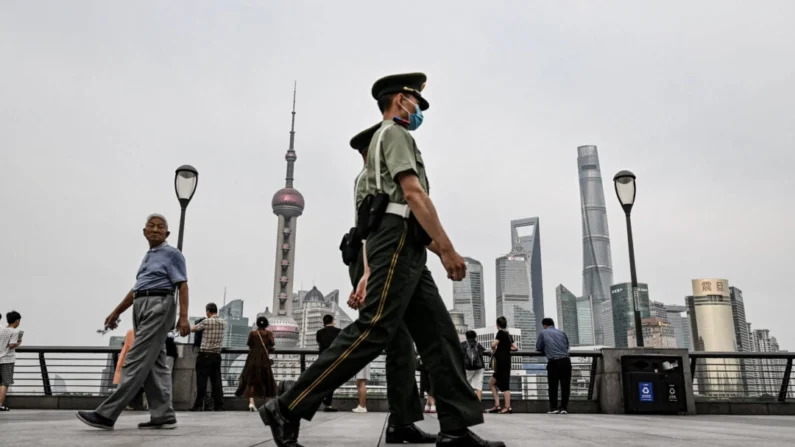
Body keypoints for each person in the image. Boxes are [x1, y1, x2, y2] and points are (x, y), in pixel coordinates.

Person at [260, 73, 504, 447]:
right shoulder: (395, 134)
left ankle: (455, 428)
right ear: (400, 100)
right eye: (416, 102)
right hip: (395, 242)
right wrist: (448, 248)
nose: (419, 110)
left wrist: (437, 250)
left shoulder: (390, 139)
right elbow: (413, 195)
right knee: (375, 329)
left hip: (409, 245)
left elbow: (411, 213)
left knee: (439, 335)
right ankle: (288, 406)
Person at [342, 123, 435, 442]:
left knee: (401, 343)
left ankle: (402, 421)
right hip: (371, 260)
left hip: (385, 259)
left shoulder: (381, 178)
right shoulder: (368, 181)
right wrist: (367, 276)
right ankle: (294, 404)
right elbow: (368, 233)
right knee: (379, 334)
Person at [77, 213, 190, 430]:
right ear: (144, 232)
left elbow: (183, 285)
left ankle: (106, 414)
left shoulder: (172, 254)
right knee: (155, 364)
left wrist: (183, 317)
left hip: (159, 303)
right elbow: (137, 288)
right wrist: (116, 311)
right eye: (151, 226)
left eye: (160, 227)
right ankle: (163, 415)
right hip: (141, 304)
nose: (155, 230)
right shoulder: (148, 256)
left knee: (135, 358)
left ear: (167, 233)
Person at [190, 303, 227, 411]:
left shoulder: (206, 321)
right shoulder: (223, 322)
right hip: (216, 355)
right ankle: (219, 405)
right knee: (216, 382)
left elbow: (193, 329)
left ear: (208, 311)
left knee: (202, 381)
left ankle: (197, 405)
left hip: (205, 354)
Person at [236, 315, 277, 412]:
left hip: (252, 359)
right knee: (266, 381)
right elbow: (272, 343)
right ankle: (267, 405)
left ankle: (251, 403)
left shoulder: (253, 333)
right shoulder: (268, 334)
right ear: (266, 324)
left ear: (257, 324)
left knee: (251, 382)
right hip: (264, 360)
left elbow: (249, 344)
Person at [536, 317, 572, 415]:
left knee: (553, 386)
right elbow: (567, 346)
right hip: (566, 361)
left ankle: (554, 408)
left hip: (554, 362)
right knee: (565, 386)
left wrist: (547, 348)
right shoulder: (562, 333)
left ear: (544, 325)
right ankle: (564, 408)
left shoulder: (543, 333)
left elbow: (538, 347)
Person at [487, 317, 517, 414]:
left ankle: (507, 407)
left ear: (497, 325)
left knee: (505, 385)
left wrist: (497, 347)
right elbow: (515, 348)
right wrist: (506, 349)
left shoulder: (500, 333)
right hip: (506, 361)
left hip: (501, 362)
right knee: (492, 382)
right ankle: (497, 405)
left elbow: (493, 345)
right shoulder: (508, 334)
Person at [315, 314, 341, 412]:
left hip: (322, 359)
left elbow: (319, 343)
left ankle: (325, 401)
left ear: (324, 322)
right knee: (332, 381)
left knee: (323, 380)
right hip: (334, 359)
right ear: (333, 321)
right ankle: (327, 402)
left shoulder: (319, 332)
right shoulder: (339, 331)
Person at [0, 311, 22, 411]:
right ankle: (0, 404)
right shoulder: (14, 331)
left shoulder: (2, 330)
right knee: (5, 382)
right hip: (7, 359)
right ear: (17, 321)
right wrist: (18, 343)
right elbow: (11, 345)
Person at [461, 330, 486, 401]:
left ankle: (466, 405)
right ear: (475, 337)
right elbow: (483, 352)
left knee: (465, 386)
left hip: (467, 368)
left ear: (466, 337)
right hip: (479, 368)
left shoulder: (462, 345)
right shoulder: (478, 345)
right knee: (478, 386)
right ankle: (478, 406)